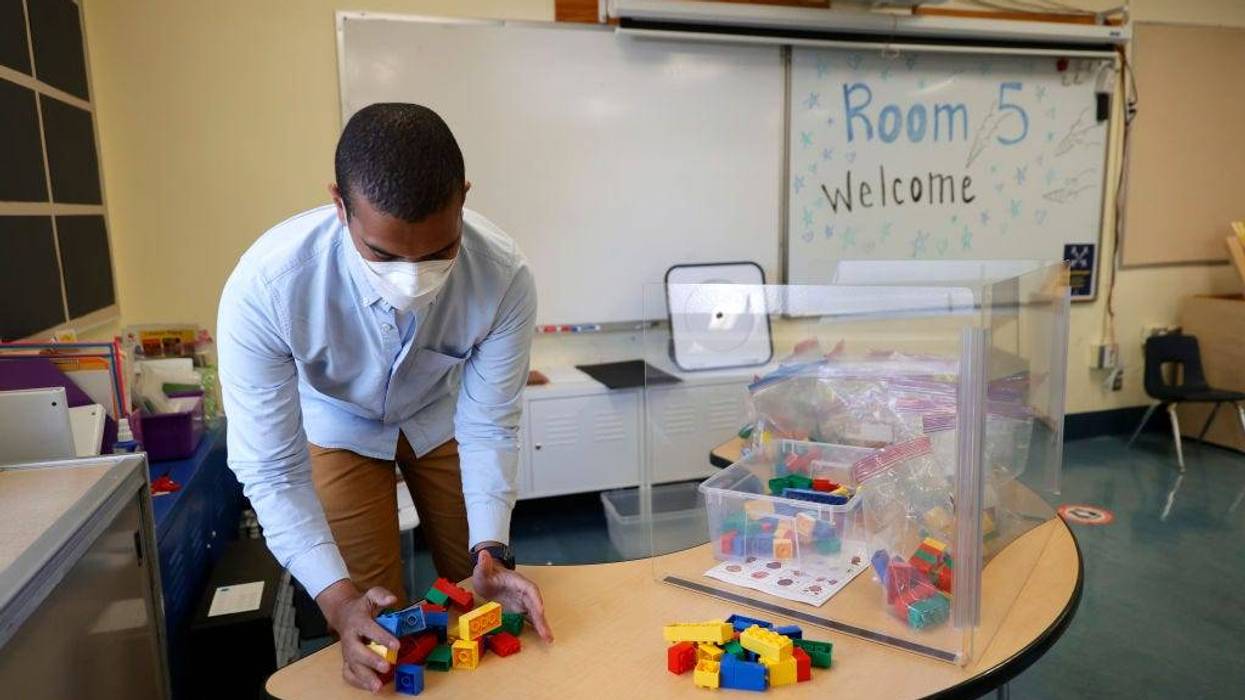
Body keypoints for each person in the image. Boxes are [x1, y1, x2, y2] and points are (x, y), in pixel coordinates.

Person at [217, 103, 551, 692]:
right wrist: (339, 602)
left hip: (440, 418)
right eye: (385, 254)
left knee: (479, 586)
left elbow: (490, 424)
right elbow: (272, 471)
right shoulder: (267, 286)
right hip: (337, 425)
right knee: (375, 617)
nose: (411, 278)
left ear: (464, 199)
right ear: (339, 206)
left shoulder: (504, 274)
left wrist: (491, 546)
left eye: (437, 253)